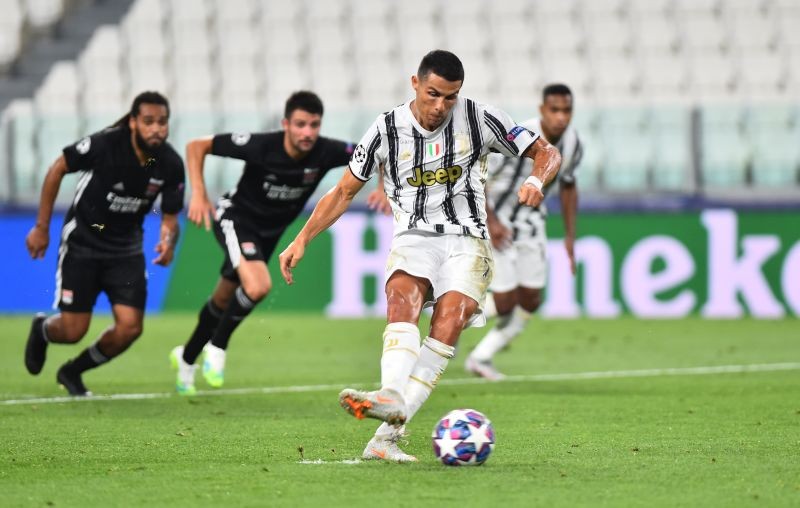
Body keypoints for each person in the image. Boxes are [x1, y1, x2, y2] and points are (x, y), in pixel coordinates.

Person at [278, 50, 561, 462]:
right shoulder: (386, 128)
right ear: (415, 83)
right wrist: (303, 238)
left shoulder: (481, 118)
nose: (440, 106)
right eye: (433, 94)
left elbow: (546, 152)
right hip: (413, 235)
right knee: (402, 298)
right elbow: (343, 192)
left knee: (449, 322)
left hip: (468, 238)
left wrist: (537, 178)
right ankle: (390, 392)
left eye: (450, 97)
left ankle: (385, 439)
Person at [170, 91, 387, 394]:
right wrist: (199, 193)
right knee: (258, 286)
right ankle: (217, 346)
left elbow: (378, 154)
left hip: (269, 235)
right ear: (286, 124)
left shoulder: (326, 151)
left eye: (314, 125)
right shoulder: (261, 146)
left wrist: (381, 187)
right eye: (300, 124)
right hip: (237, 219)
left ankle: (186, 358)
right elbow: (197, 145)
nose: (307, 132)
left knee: (223, 297)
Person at [23, 91, 185, 396]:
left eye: (162, 122)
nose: (156, 129)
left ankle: (73, 371)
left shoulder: (170, 163)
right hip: (83, 243)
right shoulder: (106, 144)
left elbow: (170, 216)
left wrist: (168, 242)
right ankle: (43, 330)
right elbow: (58, 168)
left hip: (126, 250)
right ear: (134, 122)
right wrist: (41, 227)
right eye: (148, 121)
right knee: (73, 331)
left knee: (130, 328)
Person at [466, 84, 582, 380]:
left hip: (532, 227)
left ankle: (481, 357)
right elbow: (478, 177)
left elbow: (568, 186)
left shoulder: (573, 144)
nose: (560, 117)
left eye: (566, 110)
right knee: (504, 303)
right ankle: (453, 317)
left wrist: (570, 237)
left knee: (531, 299)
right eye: (554, 110)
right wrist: (490, 221)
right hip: (500, 224)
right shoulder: (519, 136)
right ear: (542, 110)